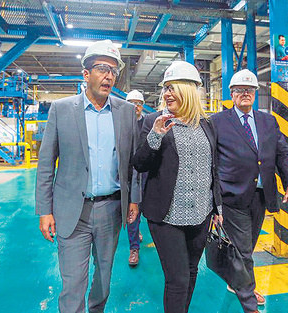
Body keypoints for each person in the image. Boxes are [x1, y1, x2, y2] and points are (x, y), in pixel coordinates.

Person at [35, 39, 140, 313]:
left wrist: (134, 199)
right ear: (86, 74)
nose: (108, 76)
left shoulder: (126, 112)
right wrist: (44, 211)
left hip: (111, 209)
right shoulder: (61, 110)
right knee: (73, 282)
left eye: (113, 71)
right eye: (102, 69)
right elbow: (46, 163)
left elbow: (133, 162)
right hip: (72, 210)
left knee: (104, 277)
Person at [133, 60, 223, 313]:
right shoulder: (154, 120)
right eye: (166, 88)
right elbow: (139, 163)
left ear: (189, 91)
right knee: (178, 279)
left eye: (173, 88)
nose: (167, 93)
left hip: (201, 215)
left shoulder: (207, 123)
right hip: (167, 216)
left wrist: (217, 207)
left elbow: (213, 168)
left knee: (192, 271)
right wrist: (155, 135)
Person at [211, 69, 288, 313]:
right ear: (231, 94)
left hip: (261, 195)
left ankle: (236, 281)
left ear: (255, 94)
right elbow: (211, 161)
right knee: (242, 250)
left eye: (249, 90)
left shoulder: (267, 121)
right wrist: (213, 200)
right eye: (239, 90)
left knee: (247, 246)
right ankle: (248, 300)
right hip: (232, 195)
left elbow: (282, 154)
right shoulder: (218, 122)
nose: (245, 94)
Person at [125, 89, 145, 267]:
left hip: (147, 174)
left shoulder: (148, 124)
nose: (135, 106)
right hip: (130, 175)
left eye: (138, 103)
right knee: (132, 211)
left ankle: (137, 232)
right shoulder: (121, 125)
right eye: (131, 103)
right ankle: (134, 248)